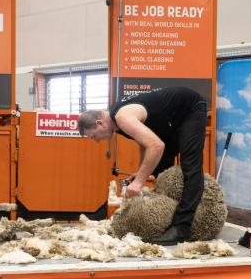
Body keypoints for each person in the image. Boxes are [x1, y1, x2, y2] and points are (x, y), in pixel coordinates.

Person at [77, 86, 207, 245]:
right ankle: (166, 219)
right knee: (160, 170)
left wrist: (138, 183)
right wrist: (140, 172)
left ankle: (182, 228)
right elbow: (144, 143)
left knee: (190, 167)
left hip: (189, 109)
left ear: (99, 123)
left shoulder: (122, 118)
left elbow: (156, 145)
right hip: (169, 119)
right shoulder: (116, 122)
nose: (97, 140)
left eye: (93, 136)